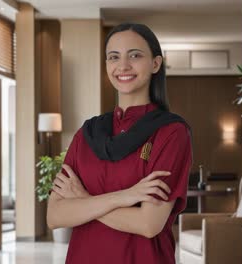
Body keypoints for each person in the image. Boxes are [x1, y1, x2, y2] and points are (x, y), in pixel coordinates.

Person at [46, 22, 193, 264]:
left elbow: (148, 224)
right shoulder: (87, 133)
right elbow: (55, 215)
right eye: (113, 57)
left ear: (155, 63)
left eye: (134, 55)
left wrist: (83, 199)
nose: (123, 65)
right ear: (107, 65)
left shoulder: (171, 132)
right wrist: (124, 197)